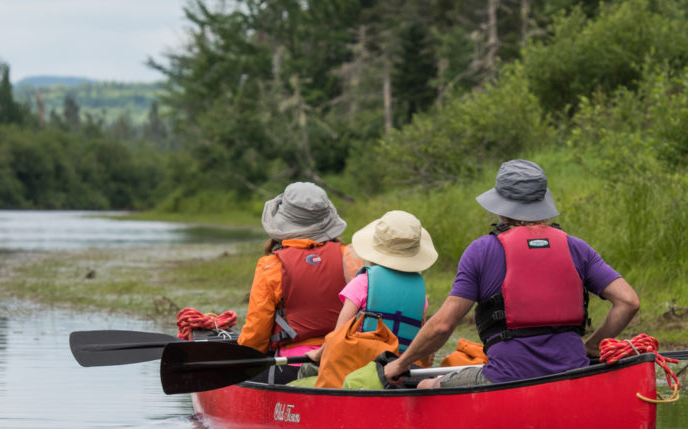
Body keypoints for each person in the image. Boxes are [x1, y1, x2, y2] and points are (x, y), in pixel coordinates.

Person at [383, 159, 639, 389]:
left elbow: (442, 325)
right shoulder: (577, 247)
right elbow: (628, 302)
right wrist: (592, 348)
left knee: (427, 386)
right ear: (541, 202)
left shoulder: (481, 251)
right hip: (573, 376)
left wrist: (400, 363)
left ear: (501, 205)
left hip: (505, 380)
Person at [237, 182, 363, 383]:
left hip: (290, 366)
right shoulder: (352, 257)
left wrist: (243, 358)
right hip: (348, 364)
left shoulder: (270, 266)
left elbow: (256, 335)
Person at [304, 210, 437, 368]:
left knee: (308, 371)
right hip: (400, 367)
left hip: (361, 364)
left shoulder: (362, 282)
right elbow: (421, 335)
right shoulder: (419, 290)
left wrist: (318, 354)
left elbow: (339, 334)